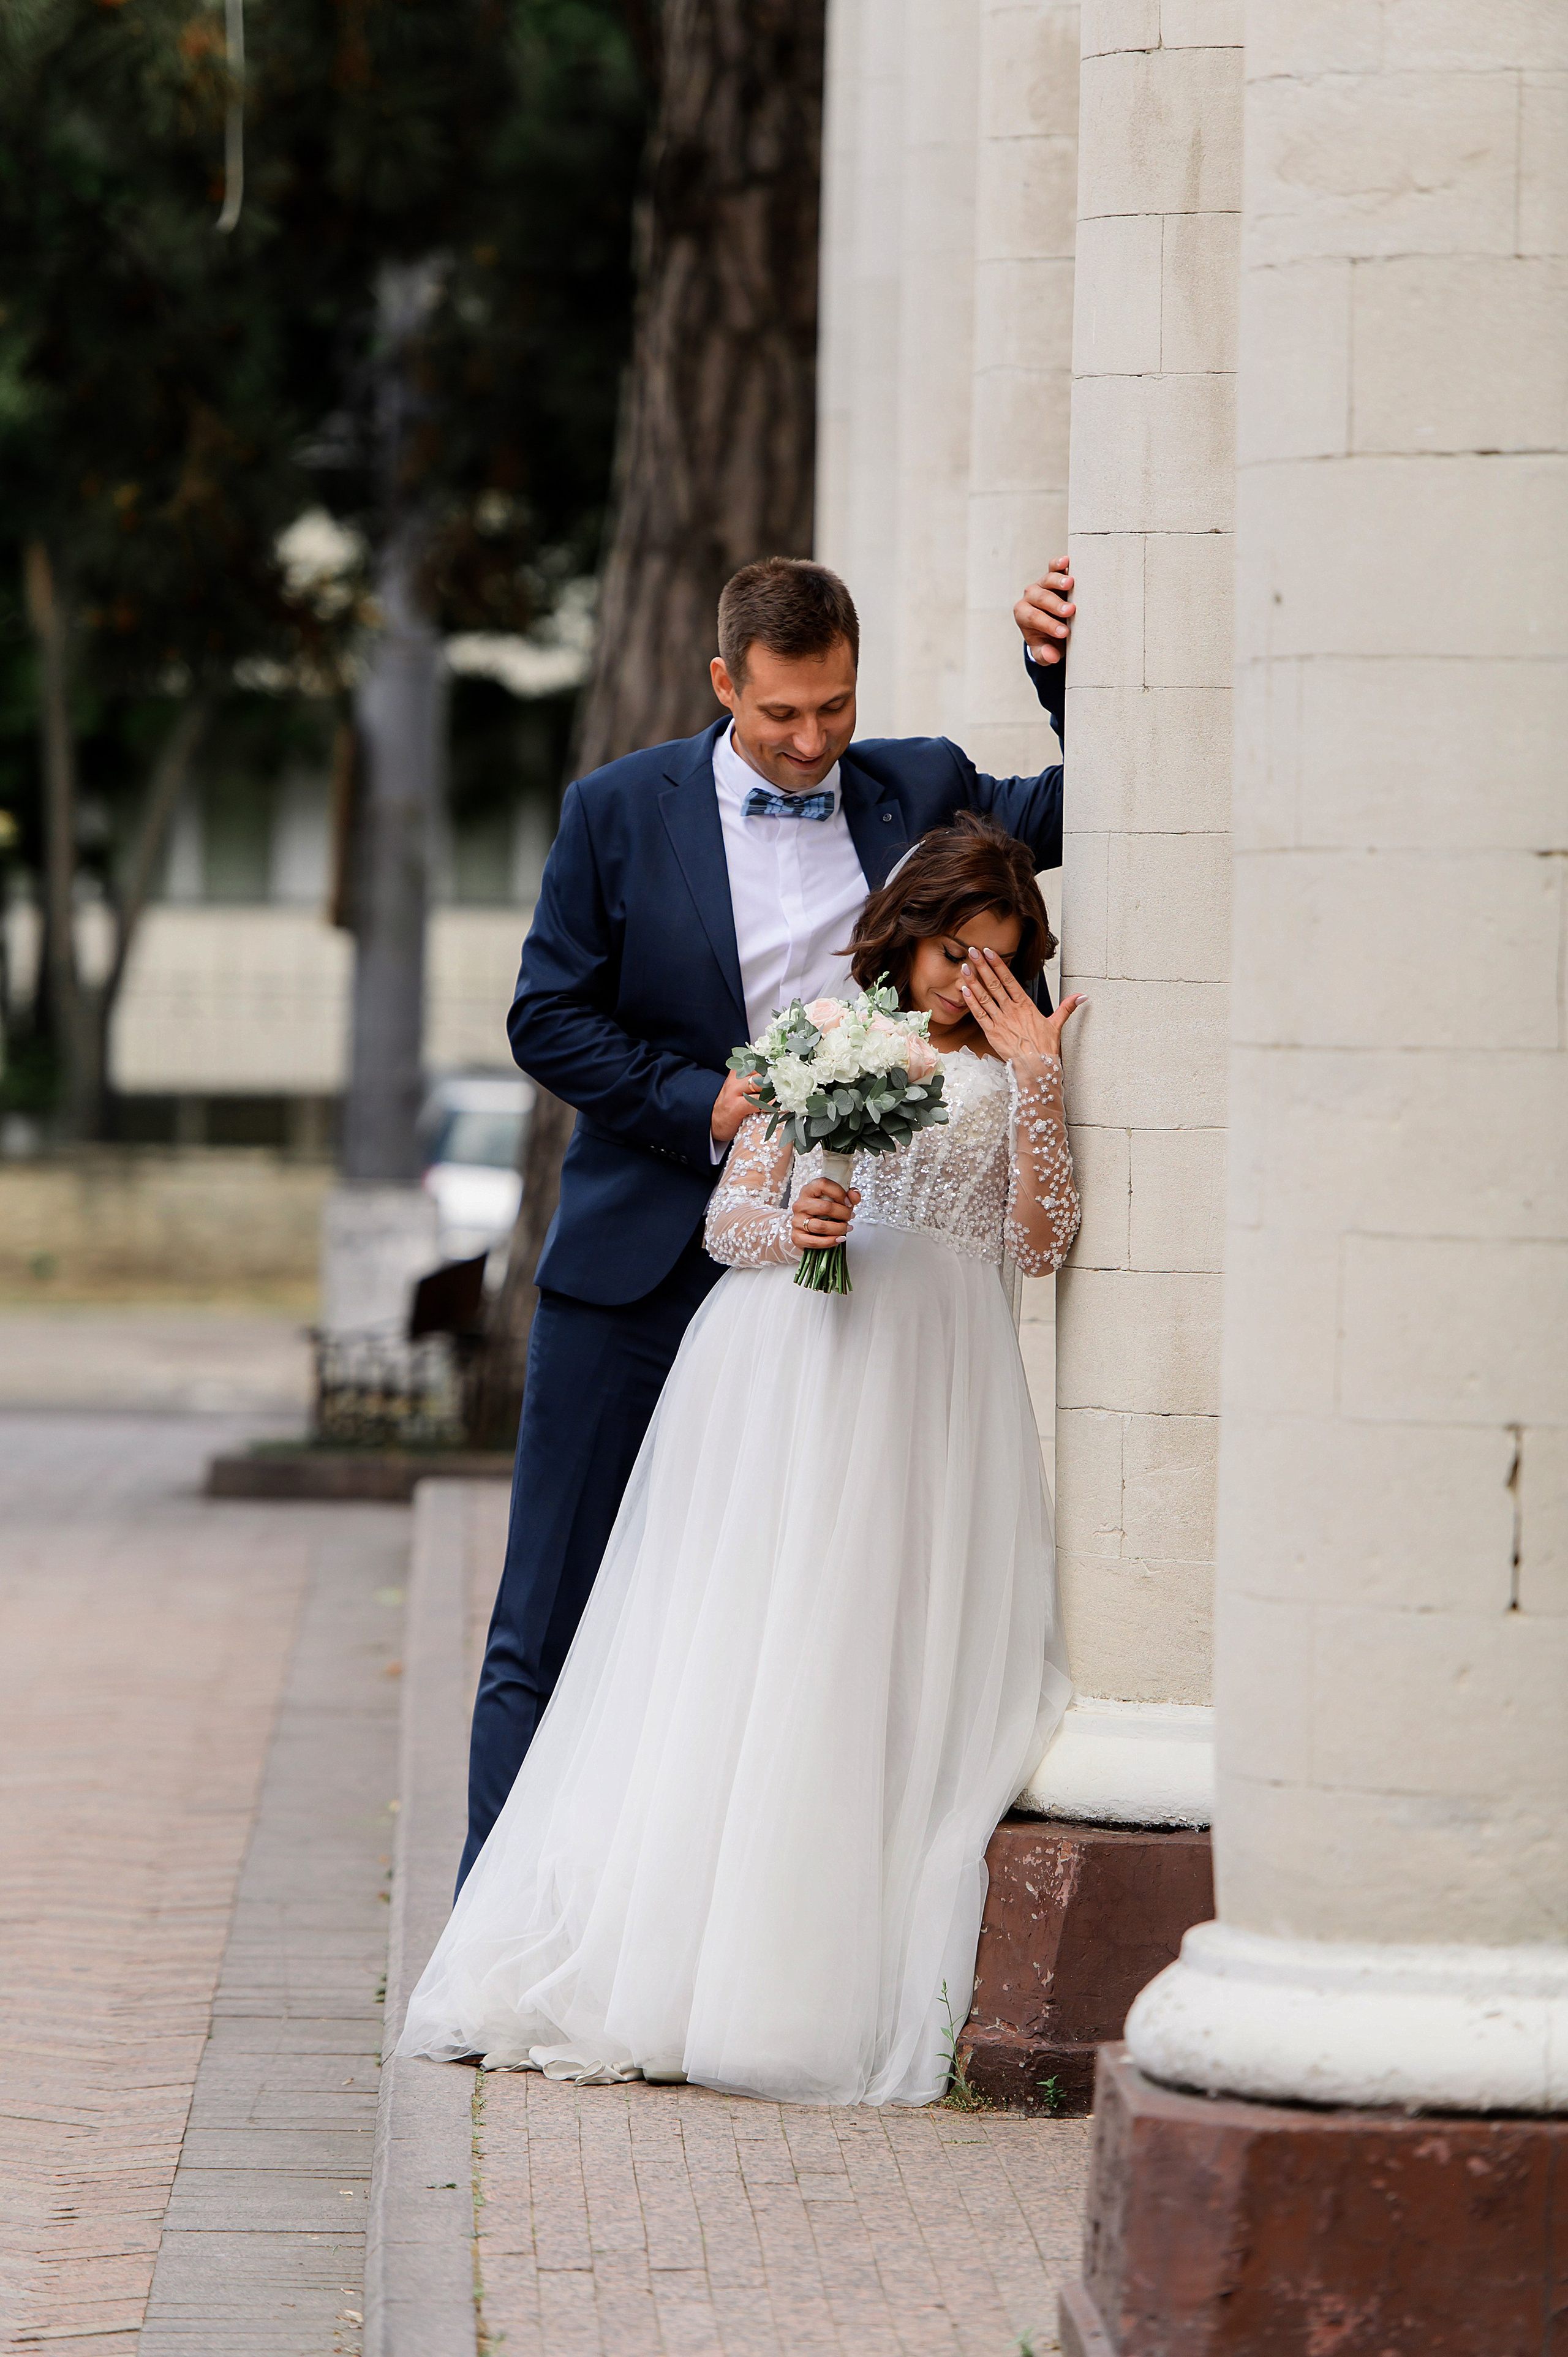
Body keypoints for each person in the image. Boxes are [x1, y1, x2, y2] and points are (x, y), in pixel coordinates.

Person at [399, 814, 1082, 2104]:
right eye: (951, 954)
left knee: (881, 1651)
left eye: (995, 959)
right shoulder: (820, 1033)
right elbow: (729, 1221)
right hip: (800, 1368)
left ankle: (810, 1964)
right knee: (759, 1642)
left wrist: (1037, 1075)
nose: (967, 983)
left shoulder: (1018, 1060)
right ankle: (675, 1958)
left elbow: (1042, 1245)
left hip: (941, 1385)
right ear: (907, 934)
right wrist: (801, 1222)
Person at [458, 554, 1076, 1889]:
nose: (810, 743)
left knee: (763, 1627)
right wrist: (708, 1102)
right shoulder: (616, 809)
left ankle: (693, 1913)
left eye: (834, 709)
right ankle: (489, 1927)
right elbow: (546, 1016)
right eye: (781, 713)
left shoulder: (920, 786)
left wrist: (1058, 674)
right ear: (724, 683)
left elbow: (1083, 804)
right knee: (551, 1617)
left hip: (838, 1297)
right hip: (640, 1264)